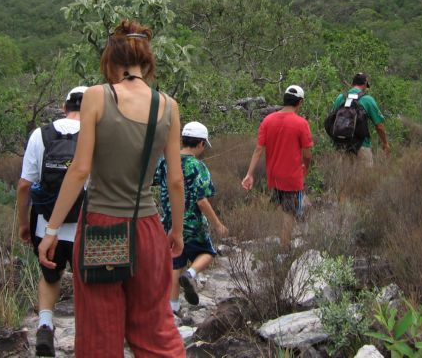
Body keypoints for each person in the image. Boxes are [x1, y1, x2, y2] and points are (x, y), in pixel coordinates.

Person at [38, 20, 186, 357]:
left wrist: (52, 229)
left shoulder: (96, 96)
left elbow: (80, 170)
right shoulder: (169, 106)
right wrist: (175, 230)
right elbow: (175, 181)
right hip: (148, 230)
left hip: (102, 231)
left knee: (99, 333)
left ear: (110, 60)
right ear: (146, 63)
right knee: (156, 329)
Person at [17, 85, 87, 357]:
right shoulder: (96, 135)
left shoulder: (40, 134)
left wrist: (24, 224)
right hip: (84, 225)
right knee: (86, 280)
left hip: (46, 226)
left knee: (50, 275)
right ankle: (84, 334)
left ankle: (45, 324)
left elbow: (25, 185)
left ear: (64, 106)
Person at [153, 121, 229, 314]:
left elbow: (153, 181)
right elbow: (202, 200)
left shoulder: (165, 161)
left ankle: (173, 306)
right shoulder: (198, 166)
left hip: (169, 222)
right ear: (201, 143)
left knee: (175, 261)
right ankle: (191, 273)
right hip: (192, 223)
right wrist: (217, 224)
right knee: (208, 253)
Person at [241, 84, 313, 250]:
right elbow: (308, 154)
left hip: (274, 175)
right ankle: (284, 249)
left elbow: (259, 149)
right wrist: (305, 168)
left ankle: (281, 239)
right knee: (289, 213)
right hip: (292, 176)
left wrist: (249, 174)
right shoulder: (301, 123)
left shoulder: (268, 120)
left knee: (283, 208)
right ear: (300, 102)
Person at [331, 72, 390, 166]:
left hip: (341, 146)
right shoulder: (367, 99)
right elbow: (379, 126)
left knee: (343, 179)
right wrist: (385, 143)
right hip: (362, 146)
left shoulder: (340, 98)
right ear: (365, 84)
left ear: (352, 84)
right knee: (365, 179)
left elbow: (331, 120)